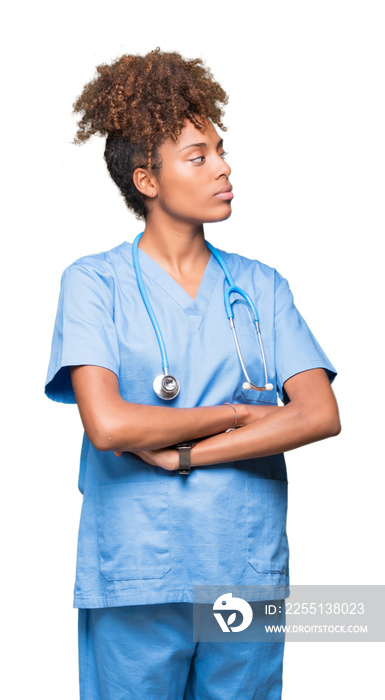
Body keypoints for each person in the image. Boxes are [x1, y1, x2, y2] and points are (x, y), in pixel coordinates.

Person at [45, 48, 340, 700]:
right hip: (137, 572)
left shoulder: (260, 287)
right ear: (148, 181)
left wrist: (179, 457)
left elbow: (318, 414)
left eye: (221, 151)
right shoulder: (94, 283)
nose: (224, 168)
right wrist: (240, 413)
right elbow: (110, 423)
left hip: (245, 569)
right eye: (198, 156)